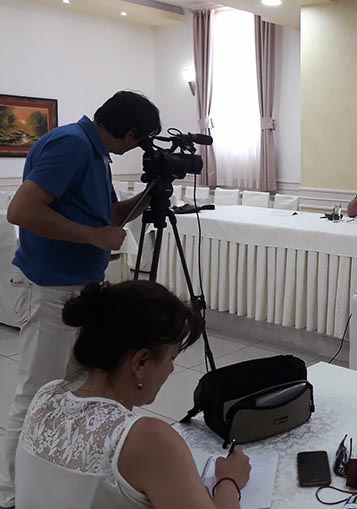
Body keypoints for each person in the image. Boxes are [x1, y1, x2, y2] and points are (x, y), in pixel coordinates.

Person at [0, 91, 161, 508]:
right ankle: (12, 494)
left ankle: (54, 476)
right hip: (52, 288)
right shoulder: (71, 144)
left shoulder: (95, 152)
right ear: (130, 133)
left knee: (72, 388)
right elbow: (21, 211)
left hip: (80, 289)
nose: (136, 149)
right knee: (37, 394)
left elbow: (108, 217)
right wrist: (94, 237)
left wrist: (151, 193)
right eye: (140, 141)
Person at [14, 280, 251, 509]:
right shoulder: (149, 439)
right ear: (141, 363)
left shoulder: (46, 396)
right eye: (171, 358)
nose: (171, 369)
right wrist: (229, 481)